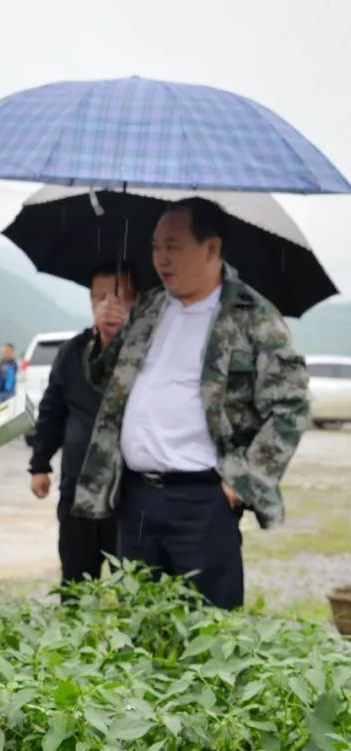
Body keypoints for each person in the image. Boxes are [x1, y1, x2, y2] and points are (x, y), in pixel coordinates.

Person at [73, 197, 310, 609]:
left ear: (212, 248)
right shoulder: (149, 307)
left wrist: (242, 482)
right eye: (155, 247)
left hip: (203, 501)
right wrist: (108, 338)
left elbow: (291, 407)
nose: (160, 259)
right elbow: (105, 383)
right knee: (138, 626)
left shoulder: (252, 316)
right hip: (138, 497)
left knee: (209, 629)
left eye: (173, 246)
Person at [30, 261, 136, 585]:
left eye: (119, 297)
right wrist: (40, 464)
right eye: (100, 297)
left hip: (130, 492)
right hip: (78, 487)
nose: (108, 305)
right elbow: (52, 411)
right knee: (76, 582)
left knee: (132, 585)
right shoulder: (72, 352)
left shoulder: (149, 353)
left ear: (137, 301)